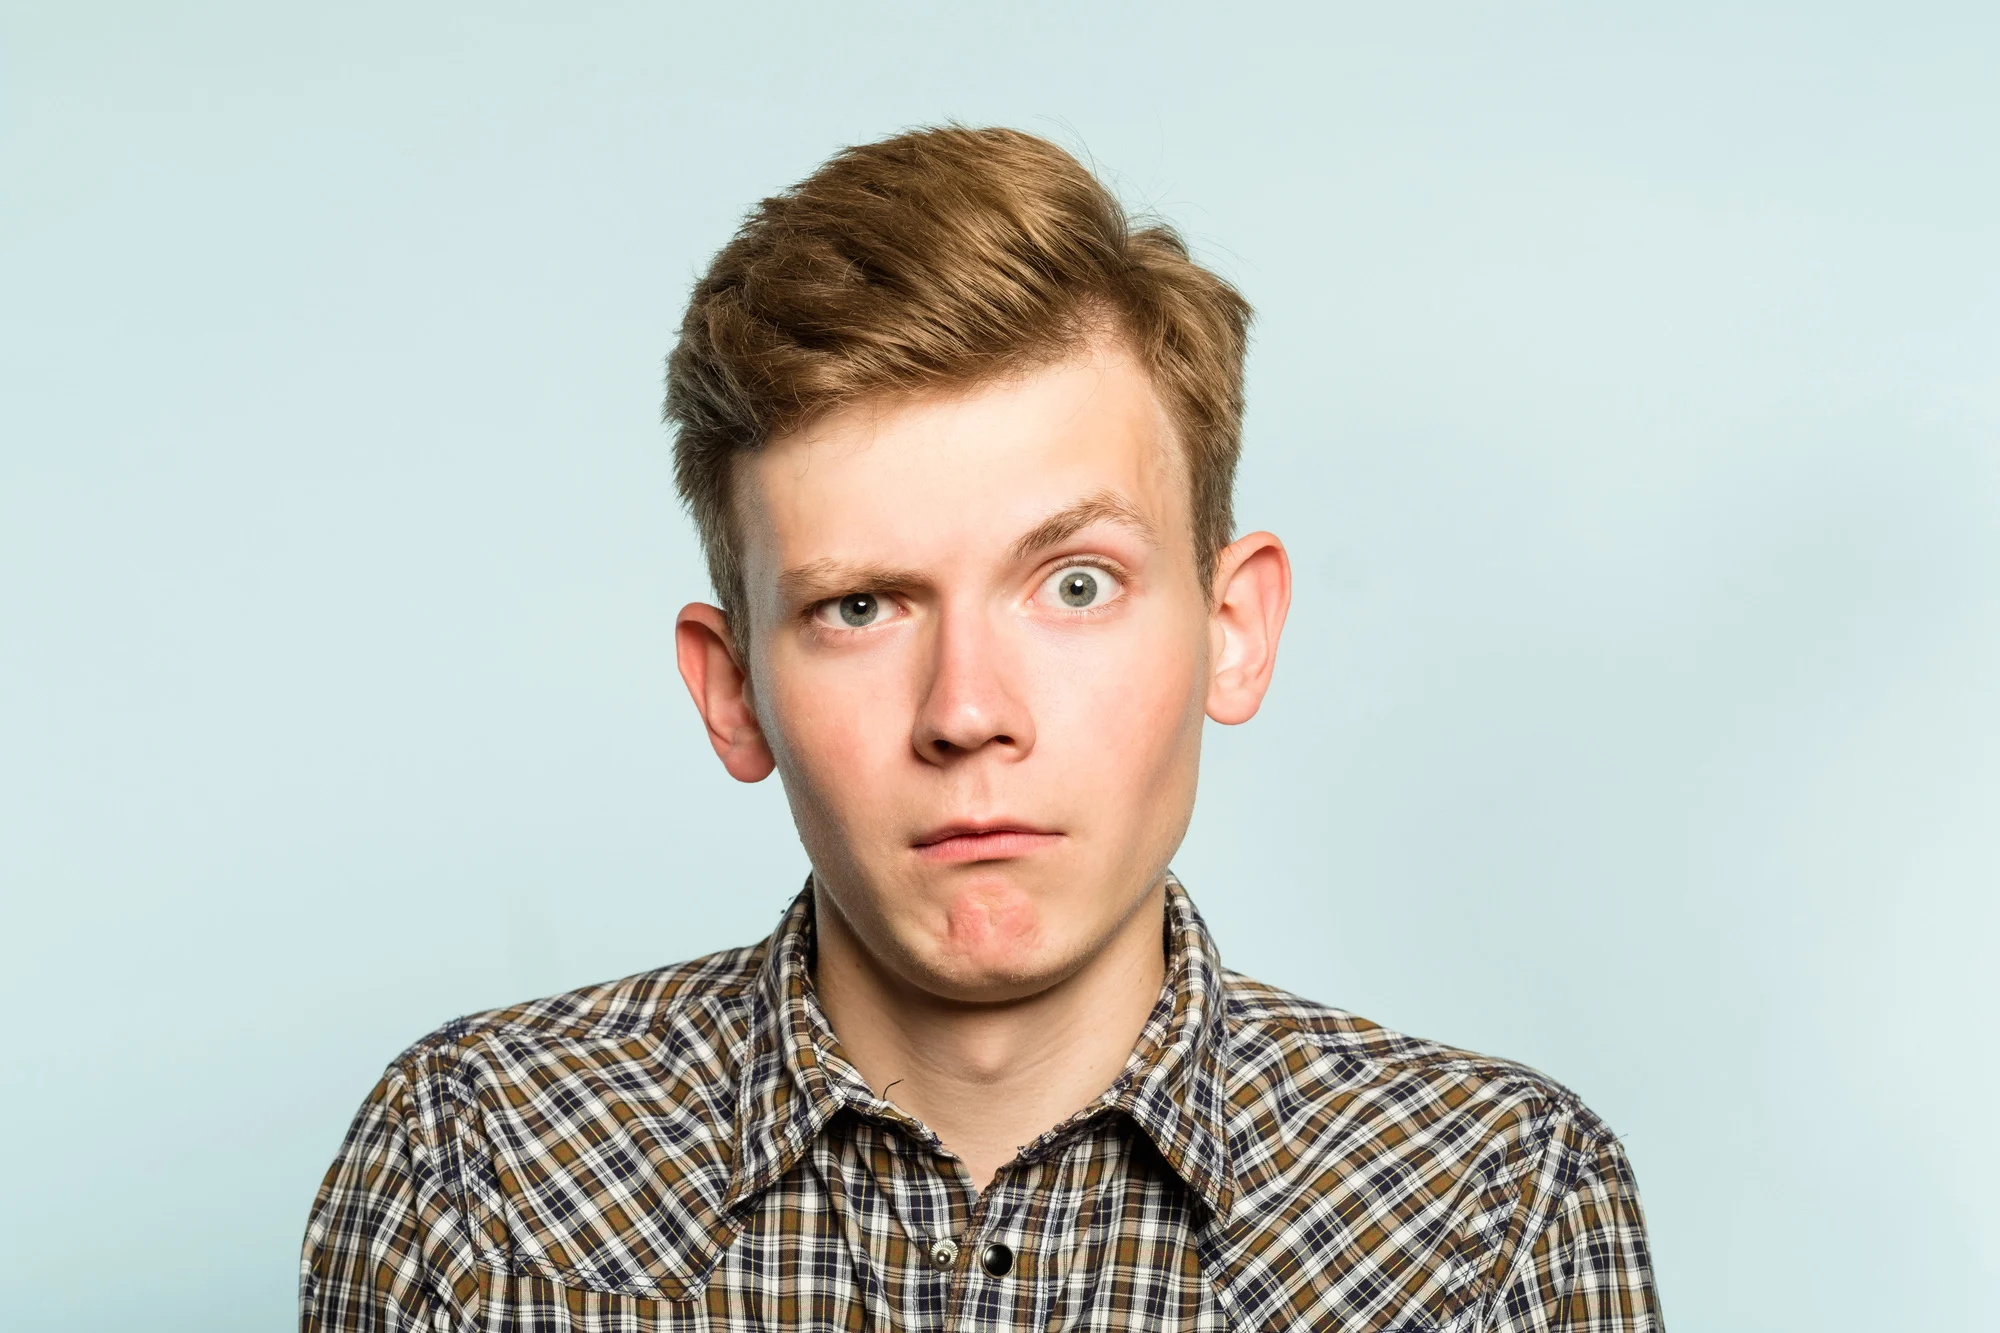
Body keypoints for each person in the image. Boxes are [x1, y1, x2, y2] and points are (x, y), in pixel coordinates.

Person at [301, 125, 1661, 1332]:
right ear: (731, 692)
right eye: (858, 608)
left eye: (1075, 586)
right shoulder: (475, 1170)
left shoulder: (1493, 1214)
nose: (966, 714)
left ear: (1232, 629)